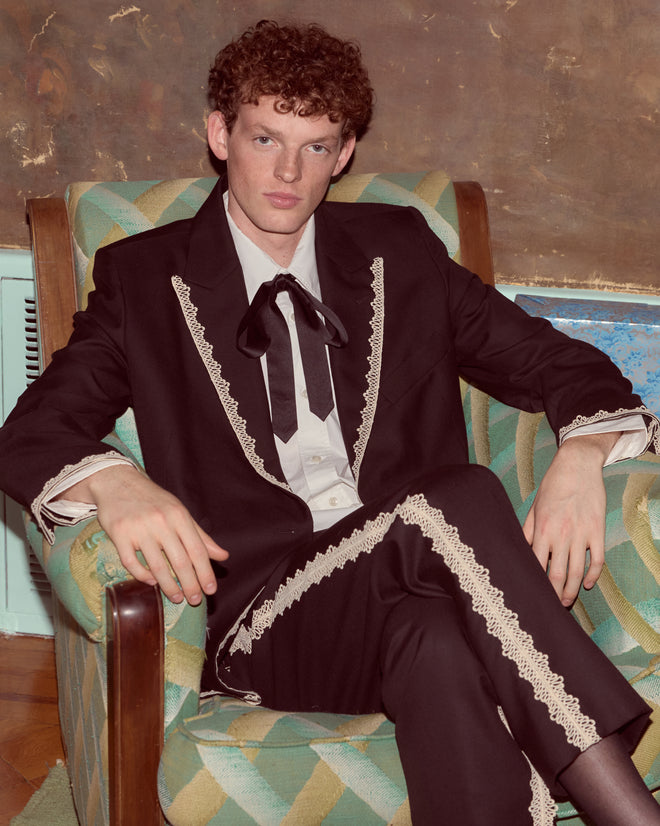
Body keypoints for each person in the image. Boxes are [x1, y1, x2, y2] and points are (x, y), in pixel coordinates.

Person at [1, 19, 659, 825]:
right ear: (220, 134)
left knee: (440, 644)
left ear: (344, 153)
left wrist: (584, 456)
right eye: (265, 138)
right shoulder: (146, 278)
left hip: (415, 598)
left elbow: (562, 364)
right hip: (267, 624)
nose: (288, 171)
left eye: (316, 146)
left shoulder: (400, 251)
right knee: (450, 498)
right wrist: (114, 477)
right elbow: (32, 429)